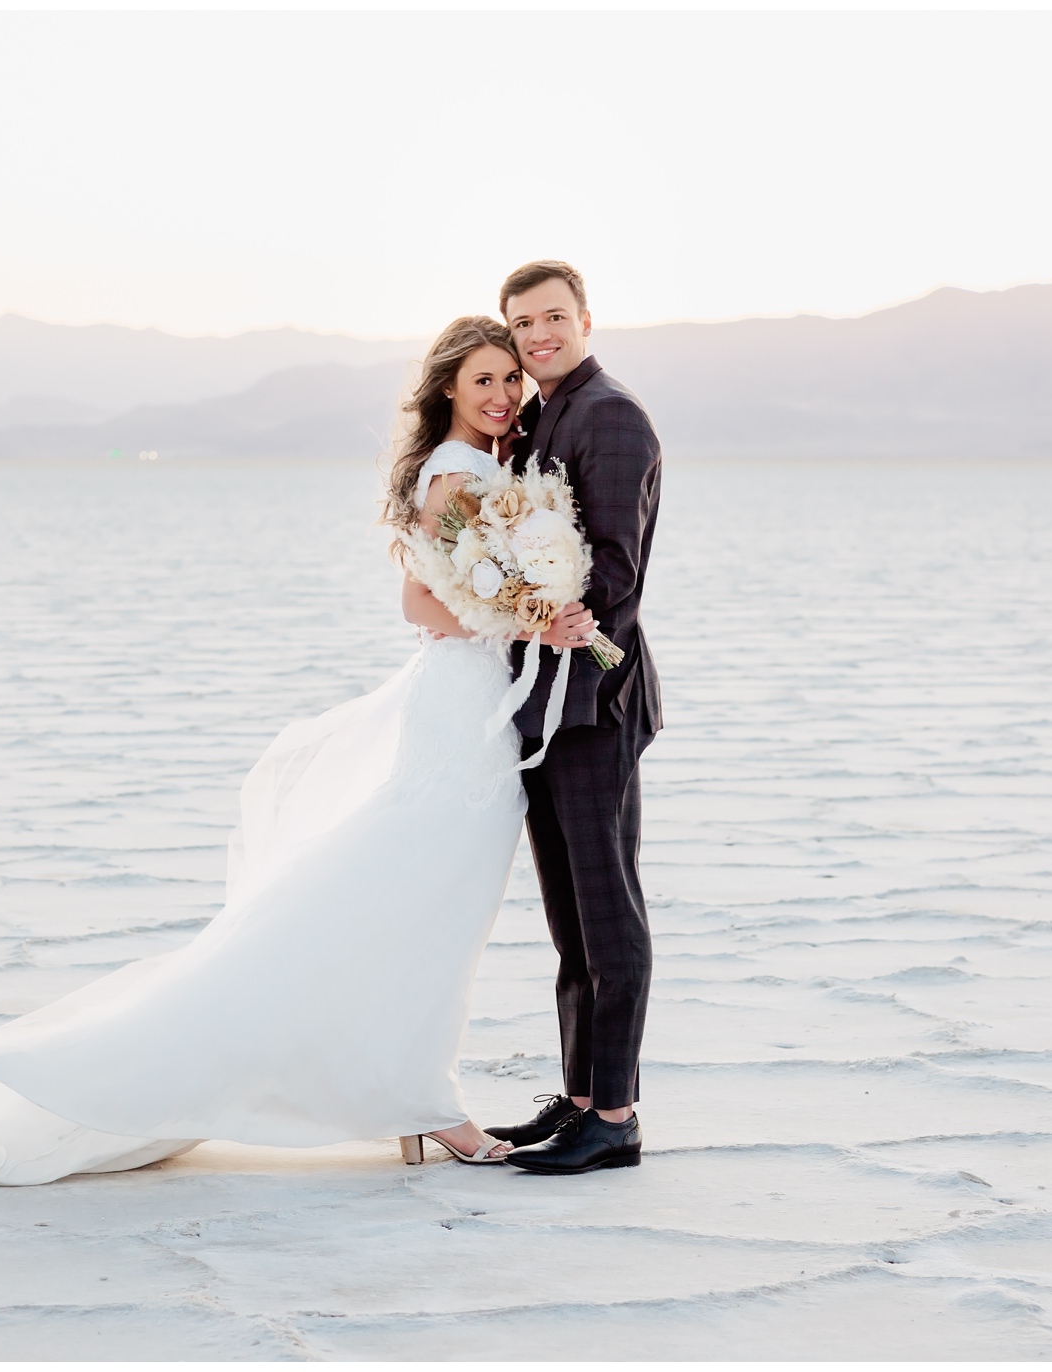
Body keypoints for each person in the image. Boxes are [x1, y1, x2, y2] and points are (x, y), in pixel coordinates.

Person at [0, 315, 601, 1184]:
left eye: (510, 380)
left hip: (471, 709)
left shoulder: (482, 470)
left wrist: (534, 610)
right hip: (459, 716)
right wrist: (540, 617)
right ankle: (428, 1105)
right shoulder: (456, 474)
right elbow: (423, 608)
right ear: (450, 394)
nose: (502, 396)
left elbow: (467, 596)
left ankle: (418, 1096)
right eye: (483, 382)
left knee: (428, 911)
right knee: (427, 910)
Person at [485, 261, 663, 1176]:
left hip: (596, 698)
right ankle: (583, 1097)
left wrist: (556, 614)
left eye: (554, 317)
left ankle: (618, 1117)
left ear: (586, 319)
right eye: (523, 324)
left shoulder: (612, 415)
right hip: (544, 700)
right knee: (568, 917)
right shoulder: (543, 415)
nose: (539, 334)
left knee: (607, 911)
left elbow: (616, 571)